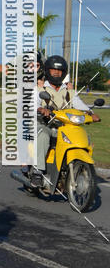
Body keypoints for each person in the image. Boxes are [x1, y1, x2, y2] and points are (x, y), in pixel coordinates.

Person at [33, 54, 100, 187]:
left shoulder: (68, 90)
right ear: (48, 70)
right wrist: (41, 109)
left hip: (65, 126)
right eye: (54, 69)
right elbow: (34, 103)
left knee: (82, 136)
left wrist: (90, 113)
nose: (57, 72)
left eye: (60, 70)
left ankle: (75, 167)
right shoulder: (40, 89)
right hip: (45, 124)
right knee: (43, 135)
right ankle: (37, 171)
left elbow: (78, 103)